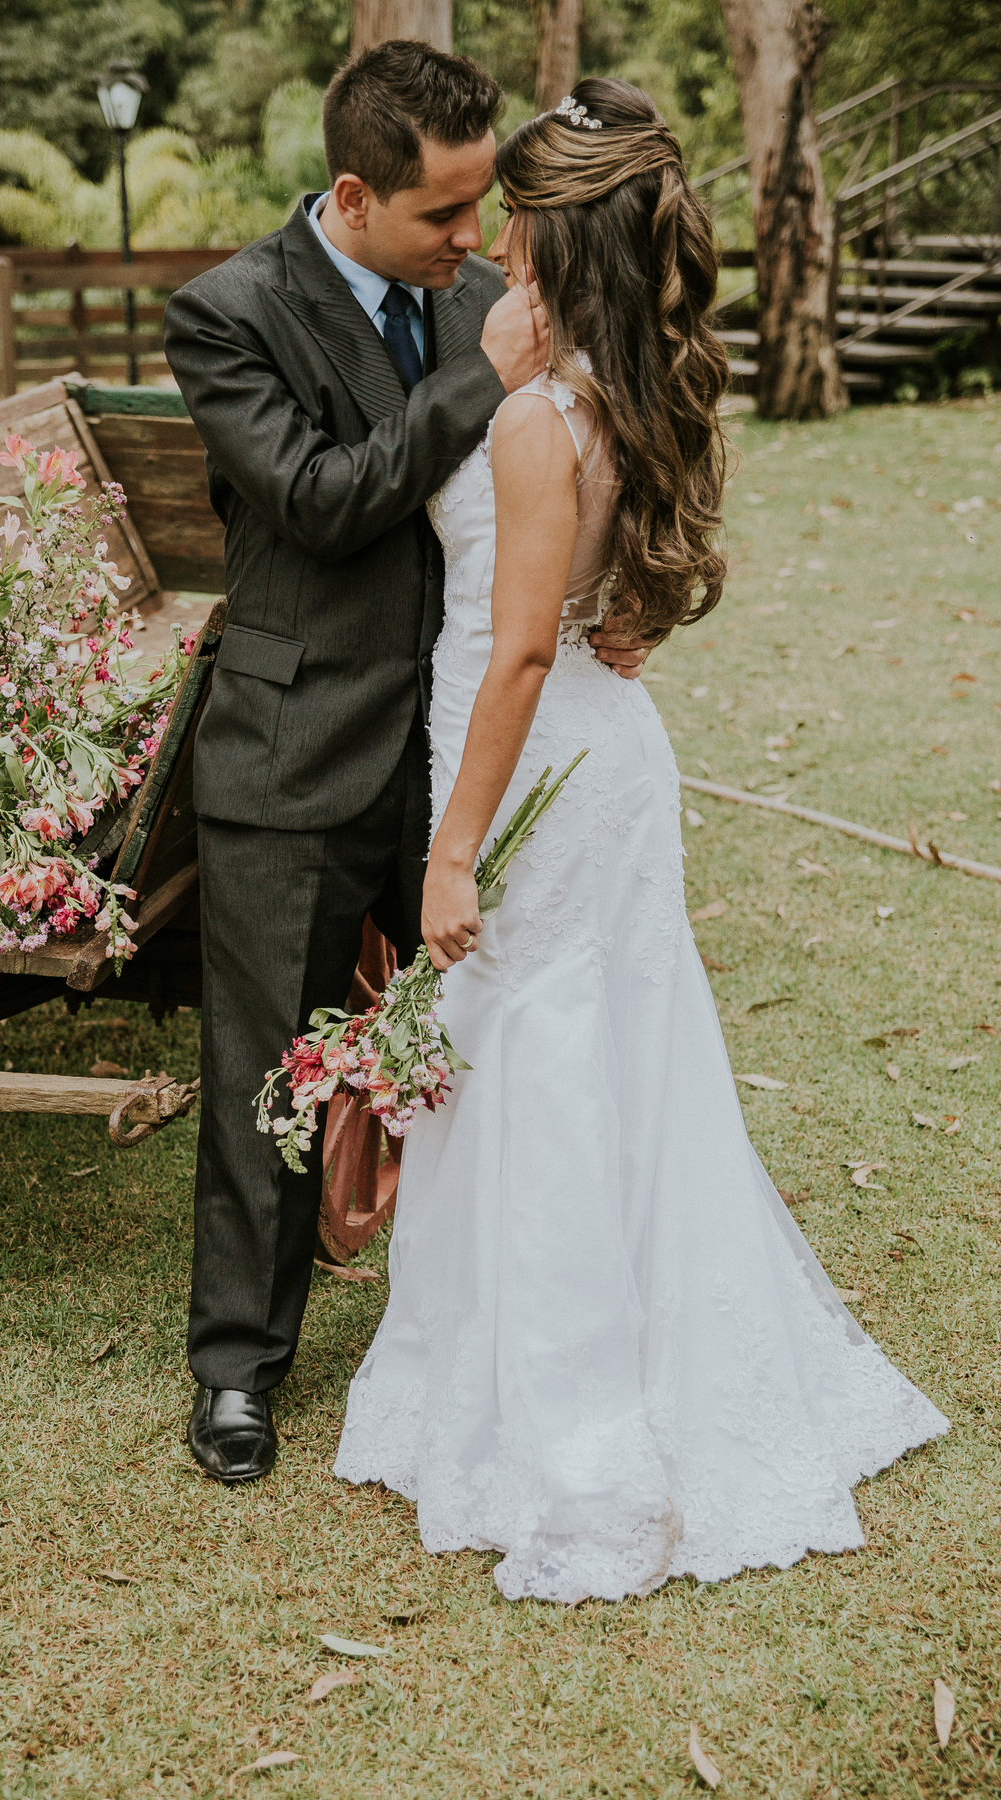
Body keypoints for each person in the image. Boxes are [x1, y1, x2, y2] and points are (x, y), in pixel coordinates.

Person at [333, 78, 948, 1603]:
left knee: (540, 1060)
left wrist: (454, 850)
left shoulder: (542, 415)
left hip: (529, 759)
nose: (496, 237)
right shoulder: (631, 377)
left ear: (555, 233)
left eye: (517, 217)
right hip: (599, 758)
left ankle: (579, 1426)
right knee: (603, 1049)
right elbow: (622, 586)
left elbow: (527, 649)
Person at [164, 43, 647, 1486]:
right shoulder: (226, 314)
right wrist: (467, 389)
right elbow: (315, 502)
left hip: (463, 758)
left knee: (494, 1044)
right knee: (271, 1073)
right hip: (292, 751)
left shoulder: (490, 298)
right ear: (356, 193)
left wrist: (616, 599)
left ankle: (476, 1326)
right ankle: (239, 1372)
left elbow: (573, 465)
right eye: (443, 217)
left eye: (477, 210)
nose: (470, 244)